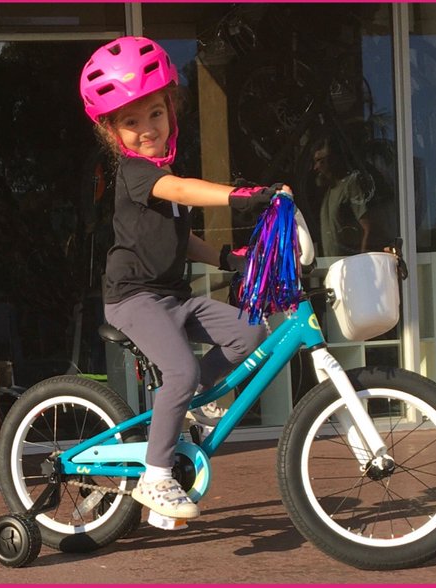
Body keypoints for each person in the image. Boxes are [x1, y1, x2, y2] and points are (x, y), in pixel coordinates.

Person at [79, 37, 289, 519]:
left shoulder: (163, 171)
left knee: (251, 331)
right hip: (134, 299)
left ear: (170, 110)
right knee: (181, 369)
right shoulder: (136, 174)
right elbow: (181, 190)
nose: (146, 128)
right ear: (113, 132)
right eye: (131, 122)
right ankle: (155, 477)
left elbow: (181, 237)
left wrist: (225, 258)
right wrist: (246, 195)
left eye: (155, 113)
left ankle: (187, 400)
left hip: (173, 296)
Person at [312, 137, 370, 257]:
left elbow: (367, 228)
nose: (316, 167)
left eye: (320, 161)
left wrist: (362, 262)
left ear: (332, 160)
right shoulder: (327, 192)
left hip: (350, 267)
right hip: (332, 269)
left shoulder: (349, 185)